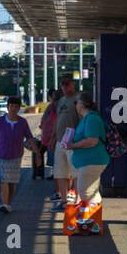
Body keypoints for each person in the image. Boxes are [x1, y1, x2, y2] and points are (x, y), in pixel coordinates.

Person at [0, 96, 40, 214]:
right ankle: (5, 204)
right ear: (7, 107)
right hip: (1, 155)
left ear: (19, 108)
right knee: (4, 180)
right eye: (11, 106)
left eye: (15, 106)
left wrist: (38, 154)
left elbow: (29, 138)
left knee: (12, 182)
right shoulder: (0, 121)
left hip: (15, 156)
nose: (13, 108)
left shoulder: (22, 122)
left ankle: (8, 204)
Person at [64, 90, 110, 226]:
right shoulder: (88, 118)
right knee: (91, 192)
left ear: (82, 104)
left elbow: (92, 140)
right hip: (90, 162)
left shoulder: (92, 119)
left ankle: (92, 221)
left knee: (85, 192)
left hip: (92, 161)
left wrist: (73, 145)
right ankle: (95, 222)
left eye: (76, 102)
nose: (75, 105)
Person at [50, 76, 79, 207]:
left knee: (75, 173)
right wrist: (52, 137)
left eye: (67, 84)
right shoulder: (61, 100)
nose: (65, 87)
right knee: (60, 173)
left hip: (73, 142)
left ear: (73, 84)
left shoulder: (78, 99)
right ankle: (63, 200)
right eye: (62, 84)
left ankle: (77, 200)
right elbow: (58, 120)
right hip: (60, 141)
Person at [39, 88, 59, 179]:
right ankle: (55, 174)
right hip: (53, 135)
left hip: (51, 136)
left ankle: (55, 174)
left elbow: (44, 121)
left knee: (53, 155)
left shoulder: (51, 106)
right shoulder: (58, 105)